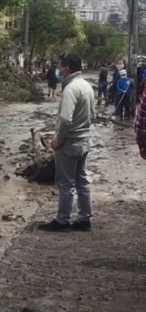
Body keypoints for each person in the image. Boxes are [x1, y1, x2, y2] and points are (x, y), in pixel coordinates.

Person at [39, 53, 95, 232]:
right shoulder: (86, 86)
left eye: (60, 66)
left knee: (66, 184)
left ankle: (62, 220)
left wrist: (58, 140)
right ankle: (84, 218)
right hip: (84, 140)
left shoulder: (71, 89)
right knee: (82, 181)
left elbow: (65, 119)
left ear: (67, 68)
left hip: (70, 143)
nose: (58, 70)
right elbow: (92, 114)